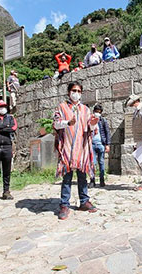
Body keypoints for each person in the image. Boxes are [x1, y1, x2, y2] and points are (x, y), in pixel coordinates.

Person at [53, 81, 99, 220]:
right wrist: (67, 123)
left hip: (82, 147)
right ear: (69, 92)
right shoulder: (61, 107)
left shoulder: (85, 109)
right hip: (67, 147)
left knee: (82, 176)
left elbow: (90, 128)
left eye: (79, 91)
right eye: (74, 90)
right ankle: (64, 204)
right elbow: (55, 123)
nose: (76, 93)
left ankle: (84, 201)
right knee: (67, 177)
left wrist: (93, 124)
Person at [90, 104, 111, 188]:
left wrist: (107, 145)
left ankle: (102, 180)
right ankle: (92, 180)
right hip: (92, 144)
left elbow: (107, 132)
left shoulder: (103, 121)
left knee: (101, 162)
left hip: (101, 144)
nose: (97, 113)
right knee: (92, 163)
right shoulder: (90, 120)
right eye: (96, 111)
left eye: (99, 112)